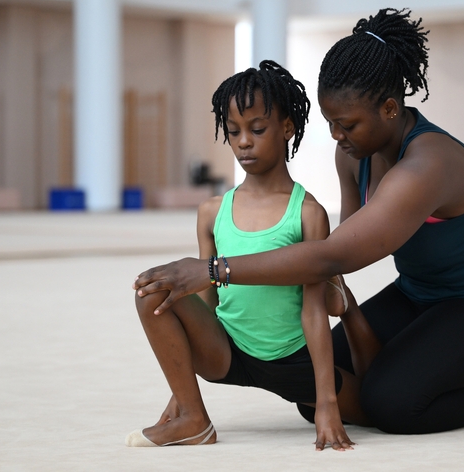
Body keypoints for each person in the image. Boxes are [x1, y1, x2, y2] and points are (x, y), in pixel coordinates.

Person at [134, 8, 464, 435]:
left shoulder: (429, 165)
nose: (336, 135)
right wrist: (342, 308)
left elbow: (334, 255)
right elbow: (340, 251)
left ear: (389, 108)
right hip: (419, 295)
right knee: (315, 389)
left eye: (347, 124)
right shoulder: (353, 155)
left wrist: (213, 271)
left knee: (391, 404)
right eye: (330, 123)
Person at [126, 60, 378, 451]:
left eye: (257, 130)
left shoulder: (307, 213)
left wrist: (326, 404)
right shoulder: (212, 212)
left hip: (294, 362)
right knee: (154, 290)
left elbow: (312, 310)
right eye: (233, 132)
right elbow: (204, 297)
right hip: (228, 352)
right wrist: (182, 391)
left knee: (381, 411)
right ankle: (195, 420)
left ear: (287, 128)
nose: (244, 141)